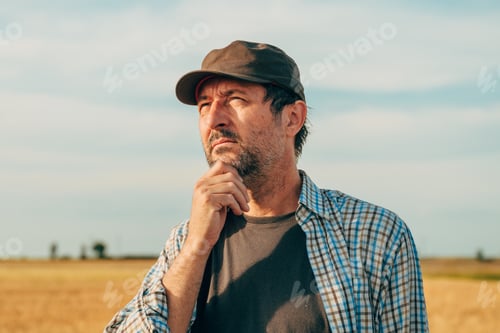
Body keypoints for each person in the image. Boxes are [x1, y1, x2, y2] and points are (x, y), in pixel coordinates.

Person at [104, 40, 429, 333]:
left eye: (234, 100)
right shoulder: (184, 242)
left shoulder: (375, 235)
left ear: (291, 118)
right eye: (204, 105)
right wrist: (196, 248)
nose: (213, 118)